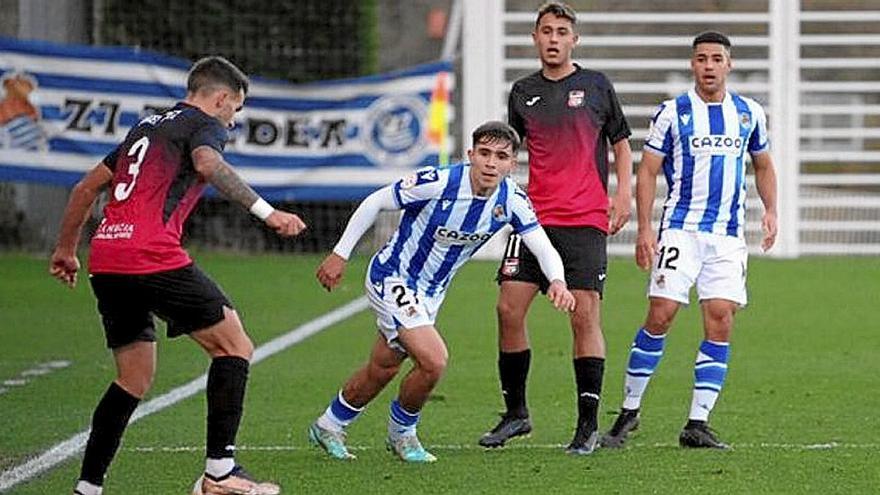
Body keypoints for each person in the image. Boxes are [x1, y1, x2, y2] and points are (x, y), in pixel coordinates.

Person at [49, 56, 306, 495]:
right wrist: (268, 212)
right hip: (150, 254)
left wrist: (66, 250)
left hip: (107, 257)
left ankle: (88, 488)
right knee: (234, 346)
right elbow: (207, 165)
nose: (233, 120)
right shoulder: (204, 125)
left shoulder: (145, 129)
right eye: (236, 109)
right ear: (221, 98)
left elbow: (84, 189)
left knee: (132, 378)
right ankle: (220, 473)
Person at [309, 121, 576, 463]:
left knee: (383, 368)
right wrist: (341, 252)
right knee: (434, 360)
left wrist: (557, 281)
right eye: (484, 154)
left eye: (501, 156)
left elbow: (542, 246)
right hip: (393, 277)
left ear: (512, 164)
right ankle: (402, 435)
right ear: (470, 155)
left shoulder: (512, 200)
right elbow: (376, 201)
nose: (491, 163)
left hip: (431, 293)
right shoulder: (439, 182)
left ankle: (329, 424)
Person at [600, 31, 778, 450]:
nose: (710, 65)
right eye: (702, 58)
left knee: (721, 318)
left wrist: (771, 211)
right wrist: (645, 229)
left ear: (729, 64)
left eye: (717, 58)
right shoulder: (673, 112)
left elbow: (764, 165)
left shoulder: (749, 113)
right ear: (693, 64)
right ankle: (629, 410)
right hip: (681, 228)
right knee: (661, 313)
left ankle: (697, 423)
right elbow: (647, 172)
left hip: (728, 236)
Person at [479, 1, 633, 455]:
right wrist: (492, 196)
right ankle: (516, 414)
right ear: (535, 37)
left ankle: (587, 425)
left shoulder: (596, 86)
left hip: (585, 220)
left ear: (574, 40)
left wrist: (622, 195)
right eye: (546, 31)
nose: (553, 39)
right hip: (532, 220)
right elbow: (506, 152)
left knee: (584, 315)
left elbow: (622, 145)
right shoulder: (522, 92)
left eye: (561, 31)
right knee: (508, 310)